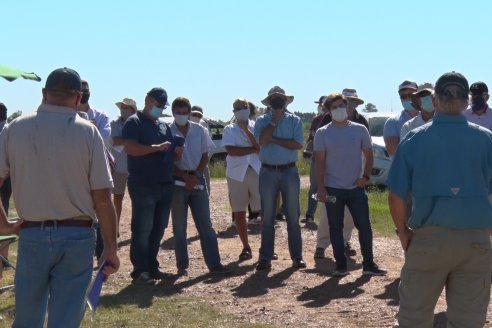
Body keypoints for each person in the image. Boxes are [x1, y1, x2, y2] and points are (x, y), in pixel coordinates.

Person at [0, 67, 119, 328]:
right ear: (78, 98)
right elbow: (102, 197)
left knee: (27, 317)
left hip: (32, 233)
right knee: (65, 319)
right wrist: (110, 247)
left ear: (44, 94)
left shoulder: (14, 128)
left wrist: (5, 225)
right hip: (77, 235)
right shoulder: (88, 132)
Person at [387, 71, 492, 327]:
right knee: (468, 321)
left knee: (414, 318)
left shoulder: (414, 138)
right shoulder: (485, 140)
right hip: (475, 241)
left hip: (428, 240)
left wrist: (403, 233)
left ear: (434, 101)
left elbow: (396, 195)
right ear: (466, 102)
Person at [314, 92, 386, 277]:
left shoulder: (360, 129)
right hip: (333, 188)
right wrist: (321, 188)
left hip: (356, 188)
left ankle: (369, 264)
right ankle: (340, 265)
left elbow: (369, 155)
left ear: (347, 107)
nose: (339, 109)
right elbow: (319, 162)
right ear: (328, 111)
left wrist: (366, 177)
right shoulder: (323, 133)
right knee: (335, 227)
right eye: (334, 107)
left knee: (364, 226)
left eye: (341, 105)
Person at [122, 87, 181, 285]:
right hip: (143, 184)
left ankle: (152, 267)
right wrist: (153, 148)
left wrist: (175, 152)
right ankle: (140, 271)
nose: (159, 108)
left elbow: (170, 152)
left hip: (165, 183)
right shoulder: (134, 122)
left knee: (158, 228)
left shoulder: (164, 126)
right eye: (157, 104)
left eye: (162, 106)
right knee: (142, 228)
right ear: (147, 100)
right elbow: (130, 148)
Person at [170, 97, 230, 275]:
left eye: (184, 112)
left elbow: (206, 155)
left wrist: (196, 175)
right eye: (178, 113)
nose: (181, 116)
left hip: (197, 179)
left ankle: (214, 264)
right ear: (173, 113)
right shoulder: (166, 131)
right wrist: (183, 176)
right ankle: (182, 267)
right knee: (179, 228)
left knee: (206, 225)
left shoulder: (200, 130)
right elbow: (165, 161)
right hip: (177, 182)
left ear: (189, 113)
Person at [254, 86, 306, 270]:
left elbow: (297, 144)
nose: (277, 103)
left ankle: (297, 257)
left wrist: (274, 140)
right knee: (267, 216)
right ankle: (265, 257)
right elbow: (261, 141)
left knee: (293, 215)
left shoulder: (295, 121)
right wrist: (274, 123)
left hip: (289, 171)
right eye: (274, 100)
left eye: (280, 100)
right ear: (269, 103)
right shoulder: (261, 121)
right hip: (268, 171)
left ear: (285, 102)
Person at [222, 98, 261, 262]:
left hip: (257, 171)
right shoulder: (228, 129)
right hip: (237, 174)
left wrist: (247, 132)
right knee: (239, 212)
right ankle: (246, 247)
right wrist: (252, 149)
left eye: (243, 107)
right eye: (237, 108)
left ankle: (267, 247)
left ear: (248, 108)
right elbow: (231, 151)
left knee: (264, 210)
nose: (241, 110)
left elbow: (260, 147)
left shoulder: (257, 126)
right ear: (233, 112)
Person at [110, 98, 138, 233]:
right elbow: (115, 141)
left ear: (132, 110)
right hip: (119, 166)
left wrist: (126, 142)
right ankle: (115, 227)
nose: (123, 109)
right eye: (122, 107)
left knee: (137, 200)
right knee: (117, 198)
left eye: (126, 107)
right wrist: (132, 142)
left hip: (136, 168)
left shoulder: (138, 123)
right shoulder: (114, 123)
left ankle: (136, 228)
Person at [302, 96, 326, 224]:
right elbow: (311, 138)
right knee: (314, 187)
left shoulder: (336, 120)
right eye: (320, 104)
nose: (321, 107)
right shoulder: (316, 120)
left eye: (323, 104)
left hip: (332, 160)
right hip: (317, 158)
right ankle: (310, 215)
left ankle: (328, 217)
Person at [383, 80, 419, 157]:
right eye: (403, 96)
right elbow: (392, 150)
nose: (407, 98)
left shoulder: (430, 117)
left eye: (410, 95)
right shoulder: (392, 122)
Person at [0, 103, 12, 214]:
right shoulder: (10, 129)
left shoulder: (3, 131)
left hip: (3, 176)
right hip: (7, 176)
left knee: (2, 204)